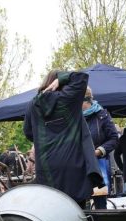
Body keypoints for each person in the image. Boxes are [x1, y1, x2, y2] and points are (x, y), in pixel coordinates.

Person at [23, 70, 104, 207]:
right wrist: (61, 79)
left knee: (51, 210)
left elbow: (28, 132)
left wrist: (45, 140)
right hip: (73, 164)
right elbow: (81, 77)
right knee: (77, 211)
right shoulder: (68, 98)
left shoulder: (33, 104)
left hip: (47, 166)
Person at [83, 86, 119, 209]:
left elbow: (114, 138)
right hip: (79, 167)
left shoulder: (102, 115)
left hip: (99, 167)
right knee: (80, 204)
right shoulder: (73, 119)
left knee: (100, 204)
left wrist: (99, 151)